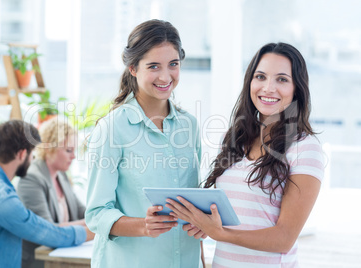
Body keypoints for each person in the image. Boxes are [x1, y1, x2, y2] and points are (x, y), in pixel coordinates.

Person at [166, 42, 325, 267]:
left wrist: (220, 234)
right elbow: (234, 216)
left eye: (282, 79)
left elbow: (284, 238)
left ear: (296, 89)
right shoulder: (235, 140)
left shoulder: (305, 149)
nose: (268, 88)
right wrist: (204, 223)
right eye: (260, 77)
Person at [84, 19, 205, 268]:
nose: (165, 76)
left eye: (173, 64)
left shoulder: (189, 125)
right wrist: (143, 225)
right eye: (153, 66)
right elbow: (96, 214)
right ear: (133, 68)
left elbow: (192, 201)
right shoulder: (112, 129)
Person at [0, 120, 93, 268]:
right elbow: (44, 231)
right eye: (32, 154)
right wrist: (95, 231)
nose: (33, 159)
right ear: (23, 154)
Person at [18, 118, 94, 268]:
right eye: (68, 150)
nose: (73, 156)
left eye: (74, 150)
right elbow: (47, 228)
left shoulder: (61, 175)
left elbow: (83, 212)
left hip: (61, 255)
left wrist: (97, 216)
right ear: (49, 148)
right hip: (38, 260)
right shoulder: (31, 178)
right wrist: (91, 224)